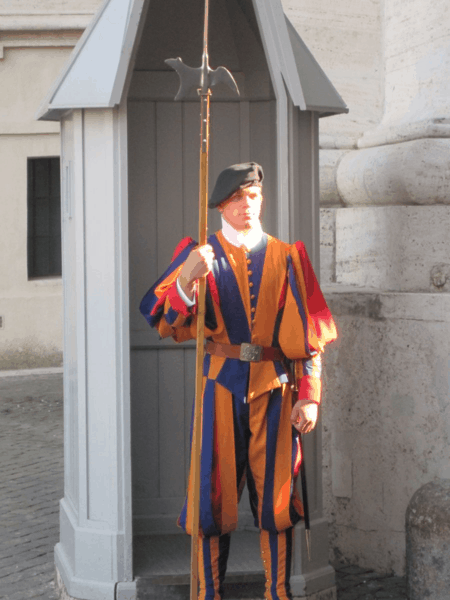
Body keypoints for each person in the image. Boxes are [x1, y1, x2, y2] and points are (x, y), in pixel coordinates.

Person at [140, 162, 337, 600]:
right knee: (211, 500)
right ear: (221, 206)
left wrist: (311, 396)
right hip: (219, 389)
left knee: (277, 502)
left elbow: (312, 336)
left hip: (276, 390)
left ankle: (277, 594)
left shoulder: (288, 257)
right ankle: (209, 595)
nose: (247, 205)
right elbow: (164, 320)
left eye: (253, 196)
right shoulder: (198, 254)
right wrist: (189, 277)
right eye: (237, 199)